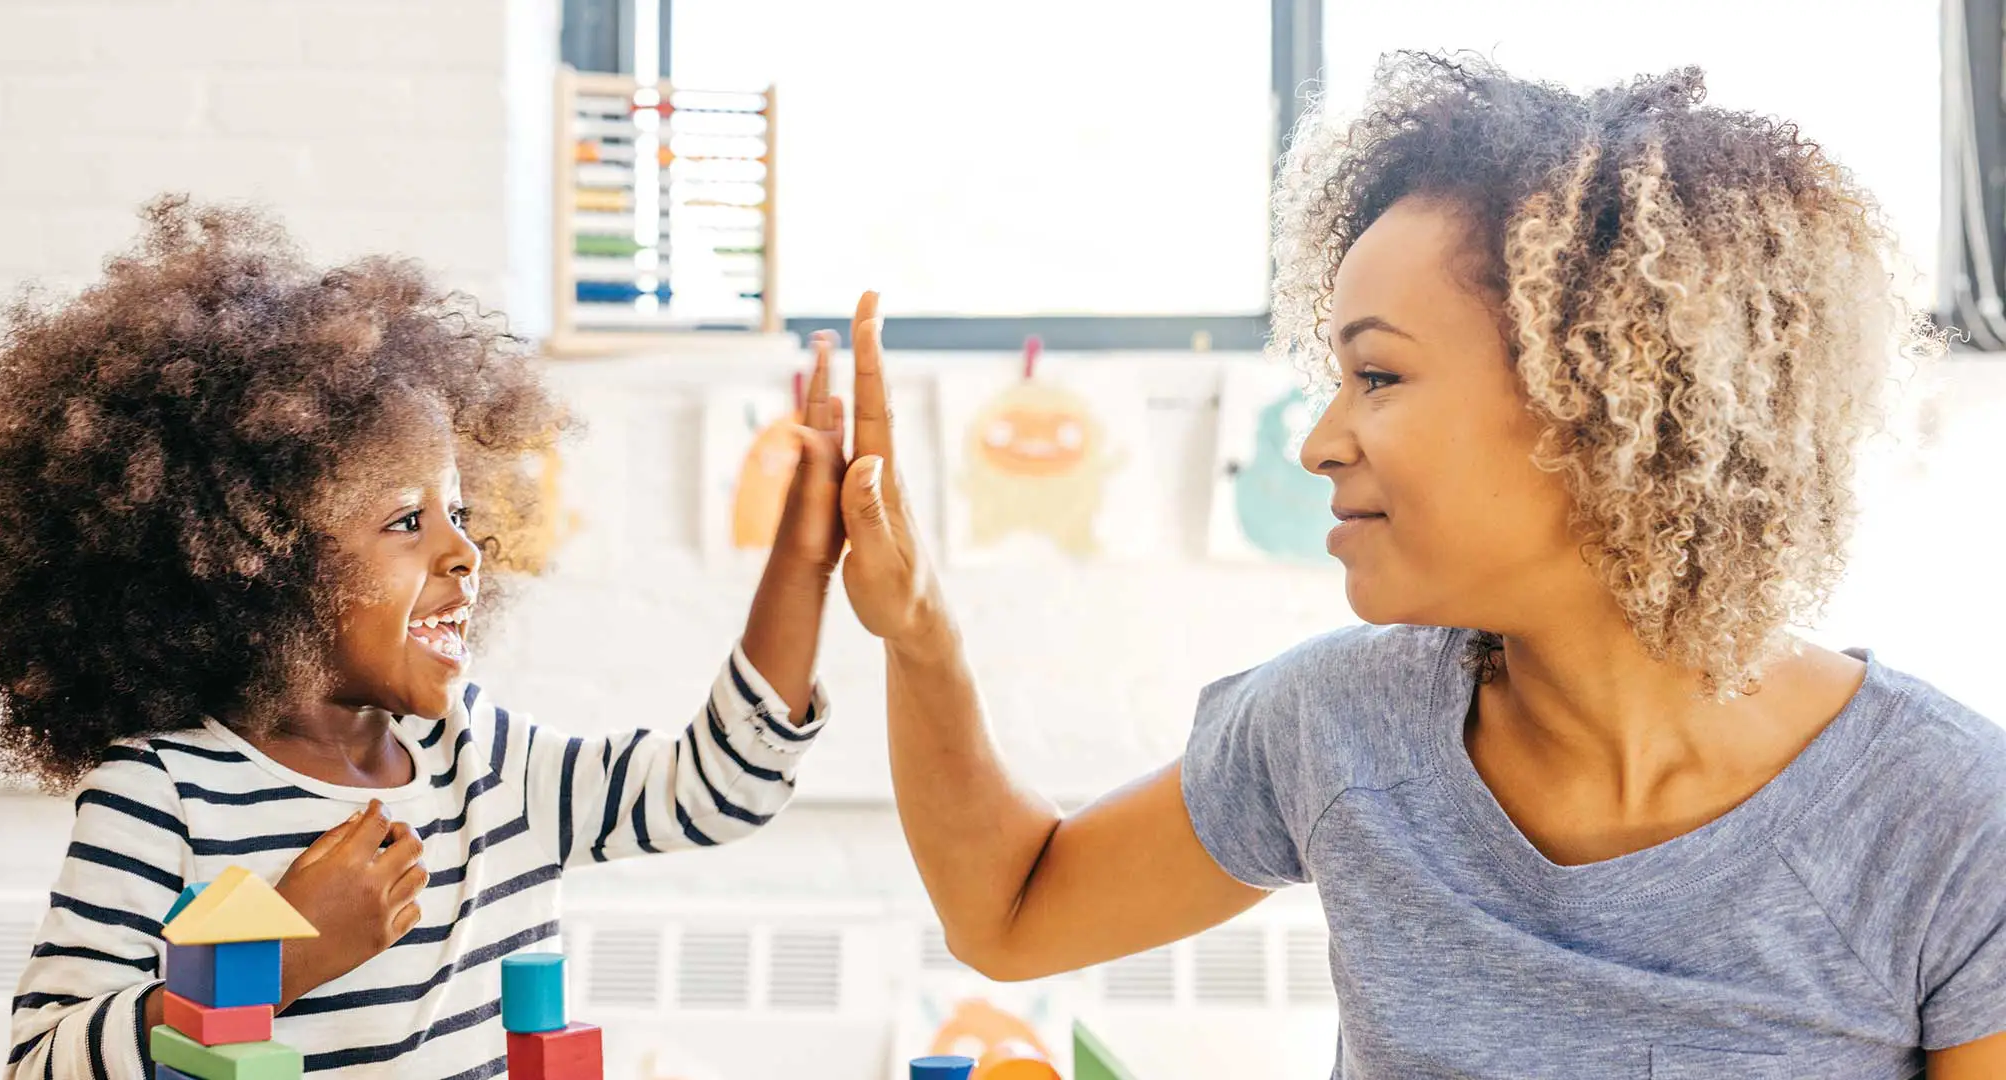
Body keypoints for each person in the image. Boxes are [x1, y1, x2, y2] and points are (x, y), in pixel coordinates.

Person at [831, 54, 2006, 1077]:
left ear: (1597, 403)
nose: (1318, 440)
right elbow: (1014, 912)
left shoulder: (1949, 823)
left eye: (1378, 378)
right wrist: (918, 632)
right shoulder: (1341, 728)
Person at [0, 197, 851, 1078]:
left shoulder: (486, 760)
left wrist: (805, 561)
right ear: (257, 561)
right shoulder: (165, 795)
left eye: (461, 513)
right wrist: (285, 955)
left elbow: (718, 792)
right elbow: (41, 1063)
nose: (467, 552)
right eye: (405, 521)